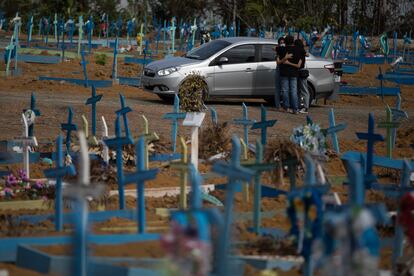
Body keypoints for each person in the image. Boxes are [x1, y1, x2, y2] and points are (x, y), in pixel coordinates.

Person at [277, 35, 302, 114]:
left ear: (285, 42)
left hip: (284, 72)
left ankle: (286, 107)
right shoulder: (298, 50)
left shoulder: (281, 49)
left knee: (285, 91)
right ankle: (295, 109)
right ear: (293, 41)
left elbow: (276, 49)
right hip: (294, 73)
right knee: (294, 91)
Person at [295, 39, 310, 114]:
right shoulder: (302, 51)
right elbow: (307, 54)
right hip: (301, 71)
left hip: (298, 71)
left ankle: (305, 107)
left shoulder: (297, 51)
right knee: (303, 90)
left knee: (301, 90)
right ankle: (303, 106)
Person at [274, 36, 286, 110]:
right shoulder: (278, 51)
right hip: (279, 69)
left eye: (283, 43)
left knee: (285, 89)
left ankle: (285, 105)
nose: (282, 44)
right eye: (281, 43)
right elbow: (278, 62)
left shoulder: (286, 50)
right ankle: (278, 106)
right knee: (278, 88)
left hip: (286, 70)